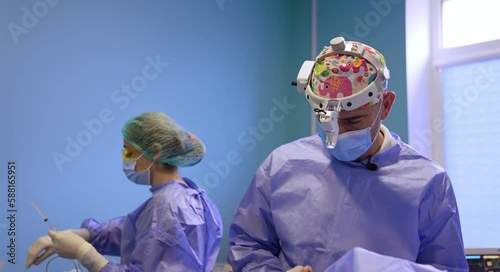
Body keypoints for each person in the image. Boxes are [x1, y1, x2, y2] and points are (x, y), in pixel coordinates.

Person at [227, 37, 468, 272]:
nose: (338, 134)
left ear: (385, 105)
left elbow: (445, 266)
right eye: (327, 121)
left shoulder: (428, 182)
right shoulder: (282, 165)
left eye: (353, 121)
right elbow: (248, 245)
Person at [26, 111, 223, 272]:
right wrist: (84, 234)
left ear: (155, 151)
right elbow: (135, 233)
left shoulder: (168, 207)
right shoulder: (184, 196)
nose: (125, 158)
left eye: (128, 151)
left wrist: (85, 253)